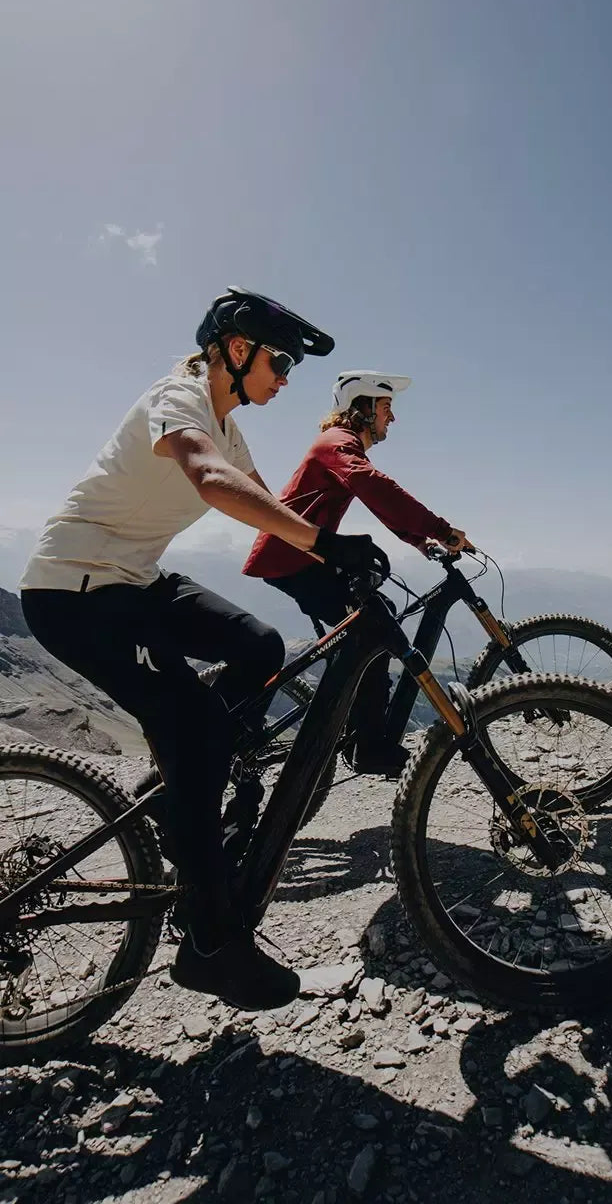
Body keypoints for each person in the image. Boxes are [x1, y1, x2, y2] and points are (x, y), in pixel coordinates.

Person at [19, 288, 382, 1011]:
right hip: (75, 592)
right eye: (278, 361)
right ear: (234, 351)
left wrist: (336, 557)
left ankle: (186, 783)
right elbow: (211, 481)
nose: (284, 377)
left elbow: (265, 504)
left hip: (134, 581)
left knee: (258, 645)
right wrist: (324, 543)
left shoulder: (227, 422)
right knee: (194, 731)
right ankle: (212, 944)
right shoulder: (178, 396)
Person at [243, 371, 471, 776]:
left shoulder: (340, 446)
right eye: (386, 408)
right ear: (362, 408)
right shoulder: (337, 443)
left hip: (301, 557)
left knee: (372, 620)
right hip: (291, 558)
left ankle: (352, 729)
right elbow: (374, 486)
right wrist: (439, 527)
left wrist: (419, 541)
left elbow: (375, 500)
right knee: (373, 628)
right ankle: (365, 744)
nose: (392, 419)